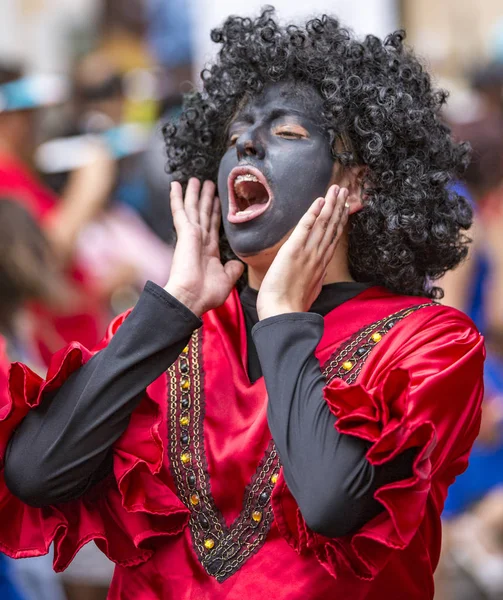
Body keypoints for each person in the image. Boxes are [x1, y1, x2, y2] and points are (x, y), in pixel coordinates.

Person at [0, 9, 484, 600]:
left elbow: (333, 503)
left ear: (354, 186)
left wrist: (282, 314)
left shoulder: (431, 344)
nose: (248, 143)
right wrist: (173, 304)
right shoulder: (172, 332)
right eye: (235, 137)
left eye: (287, 134)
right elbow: (35, 474)